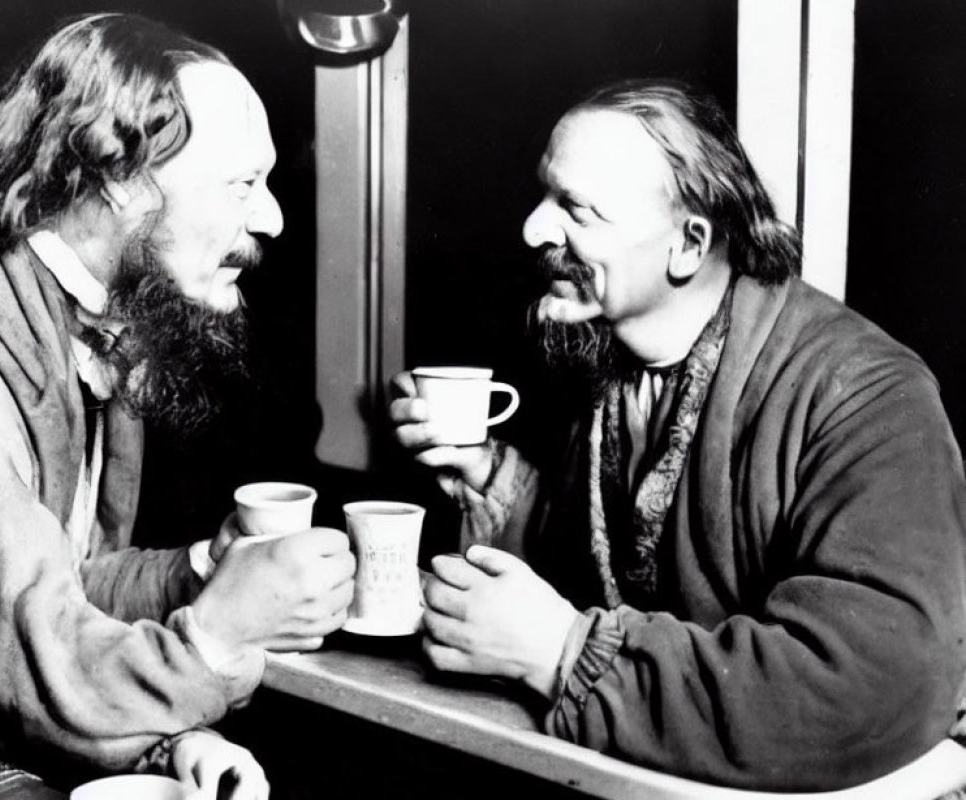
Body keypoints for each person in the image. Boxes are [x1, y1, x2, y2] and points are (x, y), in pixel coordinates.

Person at [389, 78, 966, 791]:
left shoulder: (869, 396)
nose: (532, 230)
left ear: (688, 244)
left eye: (576, 209)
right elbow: (617, 572)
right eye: (545, 194)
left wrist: (566, 654)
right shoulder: (612, 368)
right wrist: (486, 474)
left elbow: (871, 682)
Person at [0, 13, 356, 798]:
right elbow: (22, 660)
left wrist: (205, 572)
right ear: (118, 178)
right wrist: (215, 638)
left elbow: (62, 581)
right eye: (244, 183)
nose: (272, 217)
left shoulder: (89, 323)